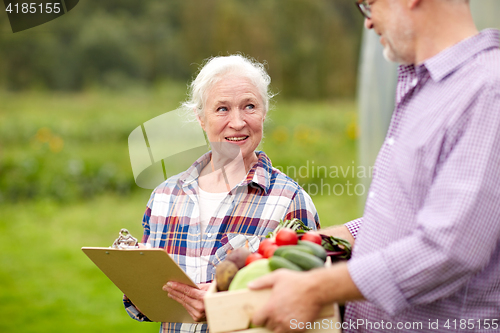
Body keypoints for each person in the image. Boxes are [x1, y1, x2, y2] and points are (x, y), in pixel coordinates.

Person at [250, 1, 500, 332]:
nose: (368, 22)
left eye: (369, 4)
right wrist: (336, 238)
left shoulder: (488, 91)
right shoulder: (426, 86)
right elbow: (413, 211)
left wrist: (315, 288)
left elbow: (450, 250)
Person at [123, 54, 320, 333]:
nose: (237, 122)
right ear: (201, 118)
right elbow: (147, 302)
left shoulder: (290, 201)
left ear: (264, 112)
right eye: (222, 109)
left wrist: (225, 306)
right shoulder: (164, 197)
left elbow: (311, 304)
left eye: (249, 106)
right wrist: (135, 279)